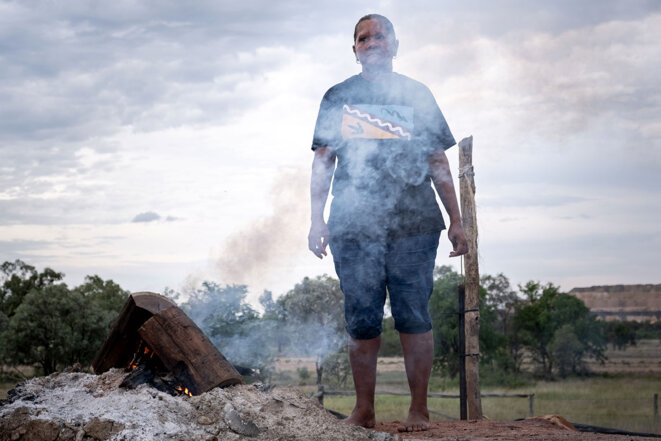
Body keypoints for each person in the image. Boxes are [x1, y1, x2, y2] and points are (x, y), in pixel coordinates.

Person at [308, 14, 468, 433]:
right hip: (353, 228)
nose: (372, 42)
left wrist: (457, 220)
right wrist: (315, 219)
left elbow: (437, 159)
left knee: (414, 314)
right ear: (355, 49)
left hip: (414, 225)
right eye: (364, 38)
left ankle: (419, 410)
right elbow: (323, 160)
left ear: (395, 45)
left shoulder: (417, 95)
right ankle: (364, 410)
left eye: (380, 36)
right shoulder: (338, 96)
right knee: (361, 318)